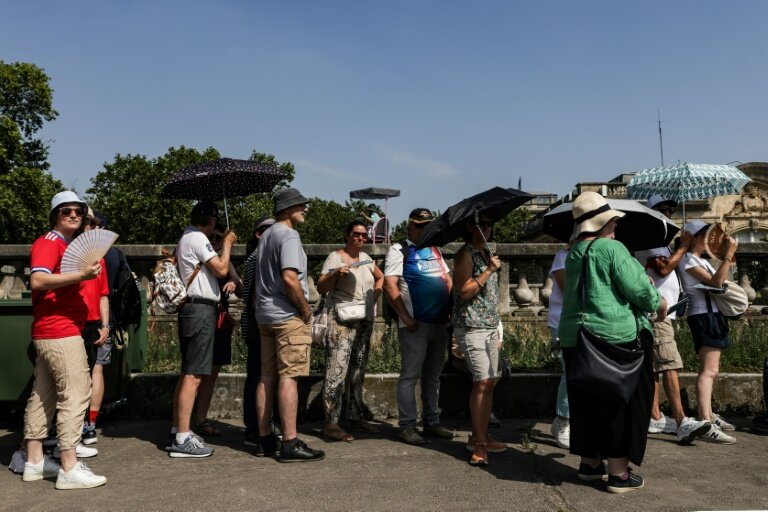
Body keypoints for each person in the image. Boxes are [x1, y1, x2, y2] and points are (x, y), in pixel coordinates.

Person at [558, 191, 666, 494]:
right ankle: (618, 474)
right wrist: (659, 300)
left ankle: (590, 463)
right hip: (613, 336)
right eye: (613, 221)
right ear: (603, 223)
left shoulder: (574, 252)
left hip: (574, 336)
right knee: (619, 403)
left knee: (585, 402)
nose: (616, 226)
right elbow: (641, 292)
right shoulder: (612, 249)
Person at [22, 190, 107, 489]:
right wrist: (81, 275)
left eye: (78, 211)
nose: (73, 215)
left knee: (43, 395)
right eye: (65, 211)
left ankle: (34, 461)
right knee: (76, 391)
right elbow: (38, 280)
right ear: (54, 216)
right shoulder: (49, 243)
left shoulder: (62, 243)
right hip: (60, 330)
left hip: (53, 329)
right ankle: (69, 465)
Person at [254, 188, 325, 462]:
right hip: (287, 317)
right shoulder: (289, 235)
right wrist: (305, 310)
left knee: (267, 376)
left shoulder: (267, 236)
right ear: (286, 210)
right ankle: (290, 442)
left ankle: (264, 439)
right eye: (300, 205)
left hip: (265, 316)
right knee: (289, 377)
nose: (304, 209)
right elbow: (290, 278)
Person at [634, 195, 711, 444]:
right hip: (657, 313)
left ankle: (655, 416)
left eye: (670, 210)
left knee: (657, 366)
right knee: (669, 364)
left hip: (663, 312)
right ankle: (681, 421)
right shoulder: (648, 242)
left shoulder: (661, 243)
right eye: (663, 210)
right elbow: (663, 269)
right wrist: (682, 248)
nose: (668, 214)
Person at [168, 201, 236, 458]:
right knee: (194, 374)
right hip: (200, 310)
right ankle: (183, 438)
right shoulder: (197, 238)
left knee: (188, 371)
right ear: (210, 222)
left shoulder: (187, 236)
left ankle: (178, 430)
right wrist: (227, 244)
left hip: (194, 309)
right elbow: (220, 268)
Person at [384, 208, 454, 445]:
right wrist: (405, 317)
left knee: (433, 376)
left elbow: (447, 278)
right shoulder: (399, 250)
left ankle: (432, 421)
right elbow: (390, 285)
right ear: (410, 226)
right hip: (414, 324)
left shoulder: (435, 250)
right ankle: (407, 425)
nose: (425, 229)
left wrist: (448, 307)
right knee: (410, 376)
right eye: (420, 225)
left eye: (428, 225)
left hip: (439, 322)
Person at [316, 220, 384, 442]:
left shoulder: (365, 259)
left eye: (364, 235)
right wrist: (335, 274)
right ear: (347, 235)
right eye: (356, 234)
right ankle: (331, 423)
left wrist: (375, 295)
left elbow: (380, 276)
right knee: (337, 370)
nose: (360, 239)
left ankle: (355, 417)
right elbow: (320, 287)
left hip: (363, 320)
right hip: (341, 321)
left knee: (357, 371)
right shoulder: (335, 257)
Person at [451, 213, 506, 465]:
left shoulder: (486, 253)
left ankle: (479, 436)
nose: (485, 228)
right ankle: (479, 444)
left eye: (488, 224)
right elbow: (464, 292)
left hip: (489, 326)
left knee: (490, 381)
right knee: (481, 382)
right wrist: (487, 271)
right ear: (469, 229)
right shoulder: (465, 254)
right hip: (471, 327)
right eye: (479, 224)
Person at [679, 219, 738, 444]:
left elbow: (722, 282)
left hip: (711, 314)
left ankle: (710, 415)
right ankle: (706, 420)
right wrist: (726, 255)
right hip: (703, 315)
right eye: (704, 235)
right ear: (694, 238)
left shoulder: (701, 260)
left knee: (712, 369)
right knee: (708, 370)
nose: (708, 239)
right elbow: (716, 284)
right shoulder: (687, 260)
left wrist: (726, 255)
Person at [193, 222, 243, 437]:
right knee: (195, 373)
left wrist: (233, 281)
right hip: (203, 319)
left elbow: (241, 290)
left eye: (218, 237)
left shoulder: (224, 259)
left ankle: (201, 418)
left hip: (220, 322)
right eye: (211, 237)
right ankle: (189, 420)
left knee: (212, 374)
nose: (214, 241)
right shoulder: (199, 258)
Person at [241, 216, 275, 449]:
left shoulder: (261, 257)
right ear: (259, 234)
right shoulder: (255, 258)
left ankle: (258, 426)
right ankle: (253, 427)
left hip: (258, 322)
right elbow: (250, 296)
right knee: (256, 376)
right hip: (255, 325)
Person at [79, 208, 112, 446]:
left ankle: (88, 424)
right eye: (90, 222)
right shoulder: (70, 253)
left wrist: (105, 325)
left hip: (94, 323)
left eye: (95, 223)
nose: (93, 227)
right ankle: (80, 425)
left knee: (94, 371)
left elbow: (103, 295)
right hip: (73, 323)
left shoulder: (99, 259)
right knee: (81, 375)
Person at [547, 245, 571, 449]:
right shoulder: (563, 256)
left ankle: (565, 421)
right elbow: (568, 288)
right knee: (570, 371)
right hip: (562, 322)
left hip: (588, 320)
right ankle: (563, 420)